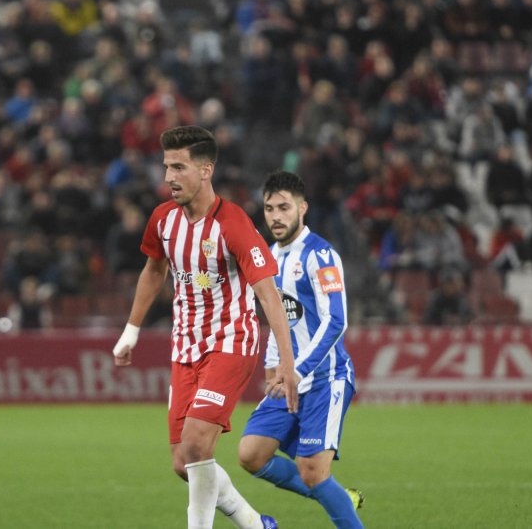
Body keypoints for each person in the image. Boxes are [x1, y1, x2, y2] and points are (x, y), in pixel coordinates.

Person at [112, 126, 298, 529]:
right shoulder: (163, 220)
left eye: (179, 167)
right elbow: (153, 270)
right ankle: (255, 524)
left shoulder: (233, 224)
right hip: (185, 348)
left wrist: (287, 361)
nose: (168, 178)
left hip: (231, 342)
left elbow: (268, 294)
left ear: (206, 170)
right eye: (166, 167)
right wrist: (132, 330)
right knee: (185, 463)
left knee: (197, 444)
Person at [237, 171, 363, 528]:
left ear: (302, 209)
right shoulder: (267, 259)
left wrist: (295, 369)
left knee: (312, 473)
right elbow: (278, 322)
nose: (276, 216)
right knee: (251, 454)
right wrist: (273, 365)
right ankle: (338, 495)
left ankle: (333, 495)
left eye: (284, 208)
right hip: (288, 376)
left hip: (325, 378)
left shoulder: (320, 255)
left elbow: (336, 321)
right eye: (269, 208)